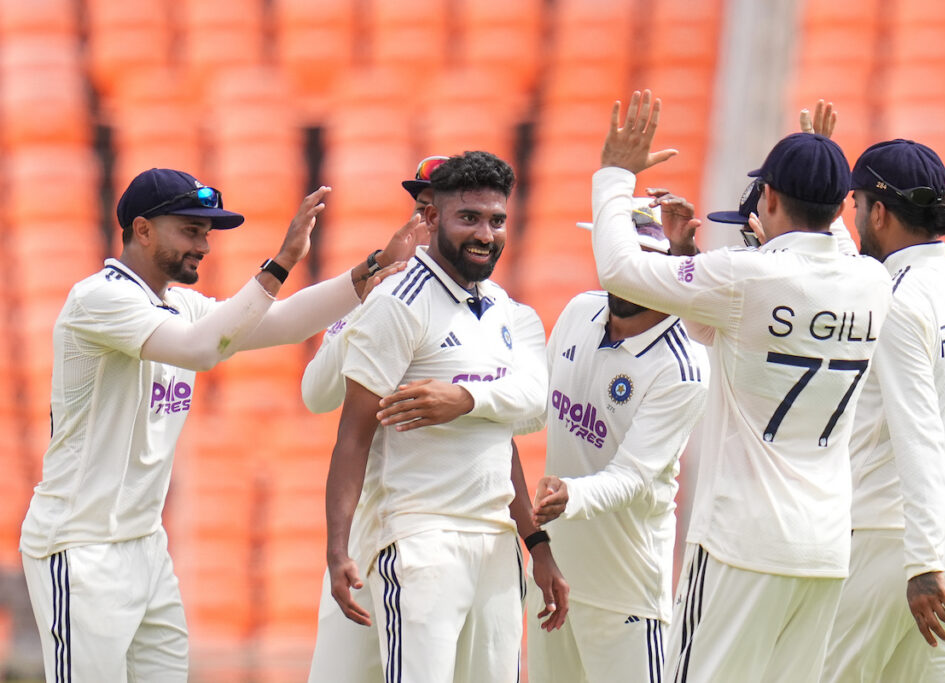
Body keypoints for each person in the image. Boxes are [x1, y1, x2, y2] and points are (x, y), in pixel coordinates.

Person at [18, 167, 421, 682]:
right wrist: (282, 261)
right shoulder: (98, 299)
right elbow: (203, 349)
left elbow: (285, 323)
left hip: (145, 546)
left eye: (206, 233)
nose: (204, 245)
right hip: (80, 547)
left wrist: (375, 267)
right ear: (142, 229)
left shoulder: (179, 303)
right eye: (191, 230)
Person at [589, 90, 893, 683]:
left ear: (770, 197)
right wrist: (822, 159)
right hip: (825, 548)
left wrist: (614, 176)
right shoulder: (871, 281)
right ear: (838, 209)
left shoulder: (747, 275)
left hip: (741, 542)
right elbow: (726, 316)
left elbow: (620, 271)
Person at [303, 156, 566, 683]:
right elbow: (346, 431)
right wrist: (335, 549)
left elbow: (524, 419)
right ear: (428, 215)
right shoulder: (396, 303)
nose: (486, 234)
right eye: (468, 217)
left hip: (495, 544)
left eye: (496, 220)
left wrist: (535, 543)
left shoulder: (509, 312)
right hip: (418, 538)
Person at [822, 140, 945, 682]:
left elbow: (920, 436)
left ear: (878, 211)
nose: (853, 222)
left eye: (855, 209)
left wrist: (922, 563)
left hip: (894, 544)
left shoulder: (895, 298)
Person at [525, 198, 709, 683]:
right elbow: (532, 408)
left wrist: (572, 494)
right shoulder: (580, 310)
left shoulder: (683, 365)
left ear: (668, 267)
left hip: (625, 594)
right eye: (621, 260)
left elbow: (632, 476)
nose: (626, 275)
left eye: (645, 263)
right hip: (552, 576)